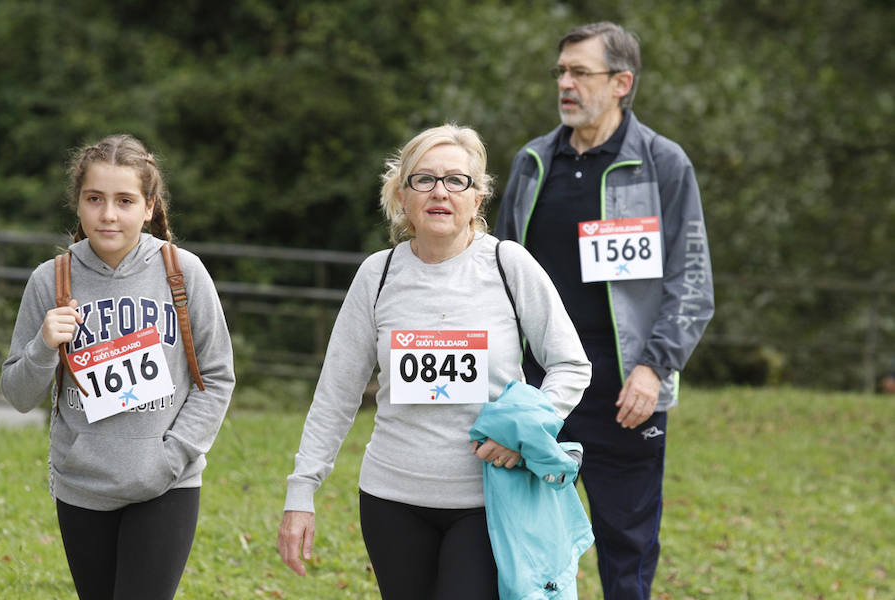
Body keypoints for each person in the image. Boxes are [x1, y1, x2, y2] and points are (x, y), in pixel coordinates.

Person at [277, 124, 592, 599]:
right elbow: (336, 394)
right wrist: (302, 490)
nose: (440, 192)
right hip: (391, 500)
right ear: (402, 196)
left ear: (478, 196)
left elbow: (572, 365)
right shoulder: (377, 275)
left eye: (457, 180)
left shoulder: (509, 265)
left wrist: (525, 430)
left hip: (488, 500)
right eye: (424, 180)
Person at [495, 22, 714, 600]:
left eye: (579, 73)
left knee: (628, 548)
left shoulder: (663, 164)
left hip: (627, 392)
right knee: (522, 544)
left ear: (622, 82)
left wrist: (654, 367)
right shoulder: (531, 163)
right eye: (560, 72)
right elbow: (496, 276)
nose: (565, 83)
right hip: (540, 389)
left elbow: (691, 281)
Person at [0, 134, 236, 600]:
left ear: (149, 207)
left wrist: (172, 455)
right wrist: (45, 344)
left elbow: (217, 377)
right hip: (83, 484)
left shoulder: (183, 272)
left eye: (124, 201)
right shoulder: (50, 280)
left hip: (166, 484)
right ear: (79, 204)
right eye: (95, 199)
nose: (108, 215)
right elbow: (18, 394)